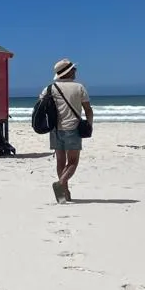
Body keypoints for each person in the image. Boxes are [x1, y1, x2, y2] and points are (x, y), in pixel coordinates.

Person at [40, 59, 93, 204]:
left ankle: (65, 193)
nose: (75, 71)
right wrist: (89, 124)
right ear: (68, 72)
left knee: (61, 162)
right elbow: (88, 109)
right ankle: (61, 183)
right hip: (73, 129)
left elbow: (41, 106)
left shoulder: (50, 88)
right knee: (73, 162)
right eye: (73, 69)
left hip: (55, 129)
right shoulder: (79, 87)